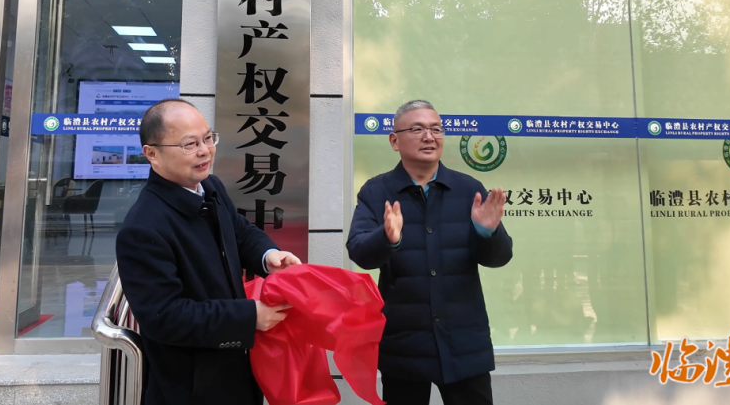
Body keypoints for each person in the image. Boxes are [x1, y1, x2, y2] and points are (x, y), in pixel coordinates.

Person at [116, 98, 302, 405]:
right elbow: (165, 317)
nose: (204, 151)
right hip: (191, 387)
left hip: (237, 370)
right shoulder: (142, 229)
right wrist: (249, 316)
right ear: (152, 154)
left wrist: (268, 255)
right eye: (189, 144)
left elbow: (239, 230)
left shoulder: (209, 187)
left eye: (207, 138)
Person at [347, 99, 512, 405]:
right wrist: (387, 237)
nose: (429, 136)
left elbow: (499, 258)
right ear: (394, 140)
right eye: (417, 129)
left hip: (464, 344)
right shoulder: (376, 191)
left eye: (436, 129)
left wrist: (487, 232)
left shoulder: (468, 189)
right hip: (404, 345)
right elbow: (359, 251)